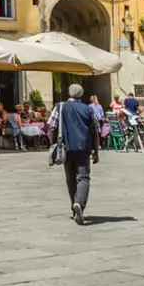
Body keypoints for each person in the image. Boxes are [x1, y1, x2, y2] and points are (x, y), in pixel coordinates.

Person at [52, 83, 99, 225]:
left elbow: (52, 126)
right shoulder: (88, 109)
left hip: (66, 147)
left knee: (70, 179)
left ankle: (75, 207)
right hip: (84, 147)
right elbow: (95, 130)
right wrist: (96, 151)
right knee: (83, 177)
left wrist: (52, 144)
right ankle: (80, 205)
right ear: (81, 94)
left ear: (69, 93)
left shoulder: (60, 107)